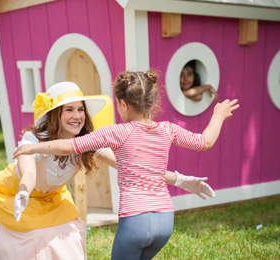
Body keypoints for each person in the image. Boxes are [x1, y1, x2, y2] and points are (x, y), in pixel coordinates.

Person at [13, 71, 239, 260]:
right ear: (151, 102)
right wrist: (218, 115)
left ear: (122, 104)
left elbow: (69, 146)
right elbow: (205, 142)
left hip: (135, 221)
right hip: (165, 220)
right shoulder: (169, 129)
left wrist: (33, 148)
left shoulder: (116, 132)